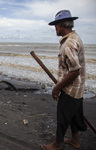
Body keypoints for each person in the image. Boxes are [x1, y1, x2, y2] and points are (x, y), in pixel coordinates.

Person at [41, 10, 87, 150]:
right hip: (79, 87)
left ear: (61, 25)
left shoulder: (68, 45)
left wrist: (57, 87)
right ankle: (75, 140)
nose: (55, 28)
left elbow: (74, 71)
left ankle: (57, 144)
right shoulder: (74, 37)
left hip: (71, 88)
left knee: (63, 116)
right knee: (74, 115)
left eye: (56, 25)